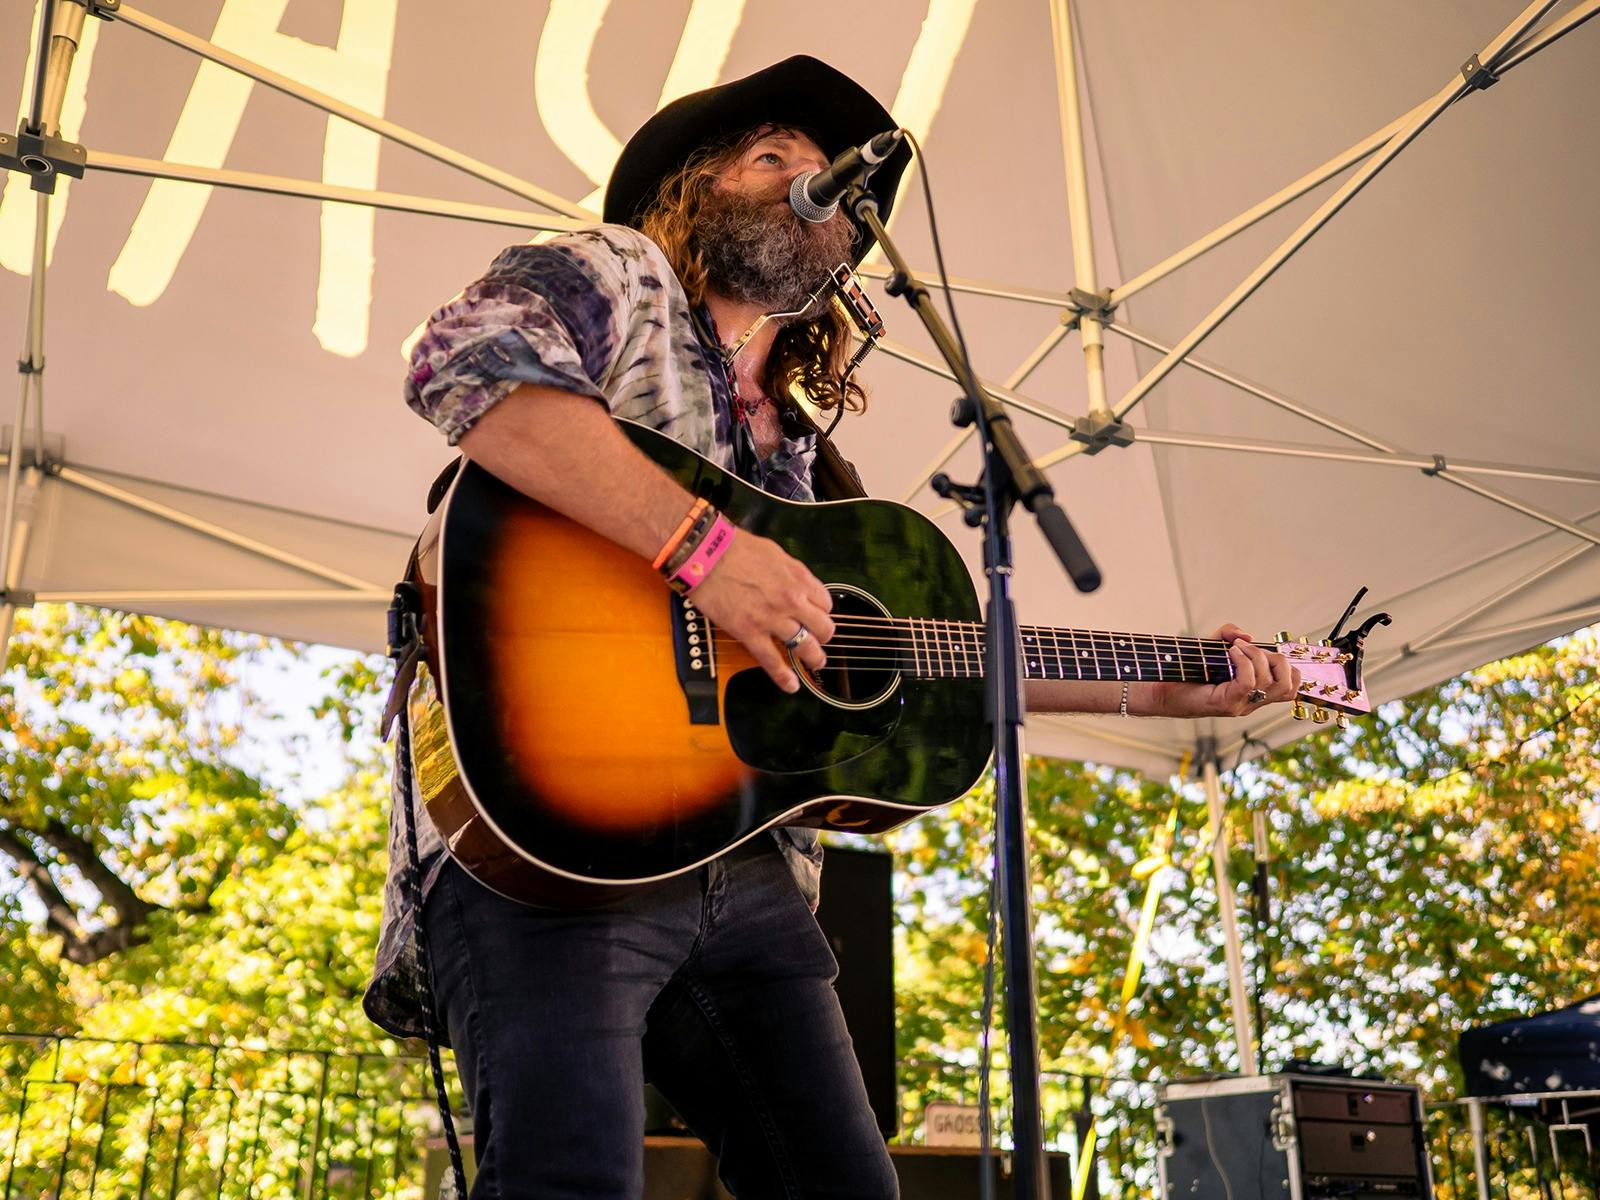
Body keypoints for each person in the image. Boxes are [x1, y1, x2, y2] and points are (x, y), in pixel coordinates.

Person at [364, 55, 1301, 1199]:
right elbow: (462, 367)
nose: (810, 182)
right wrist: (705, 553)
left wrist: (1165, 689)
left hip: (747, 870)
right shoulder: (616, 271)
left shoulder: (804, 452)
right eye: (774, 159)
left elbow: (905, 660)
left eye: (829, 182)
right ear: (691, 187)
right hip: (553, 846)